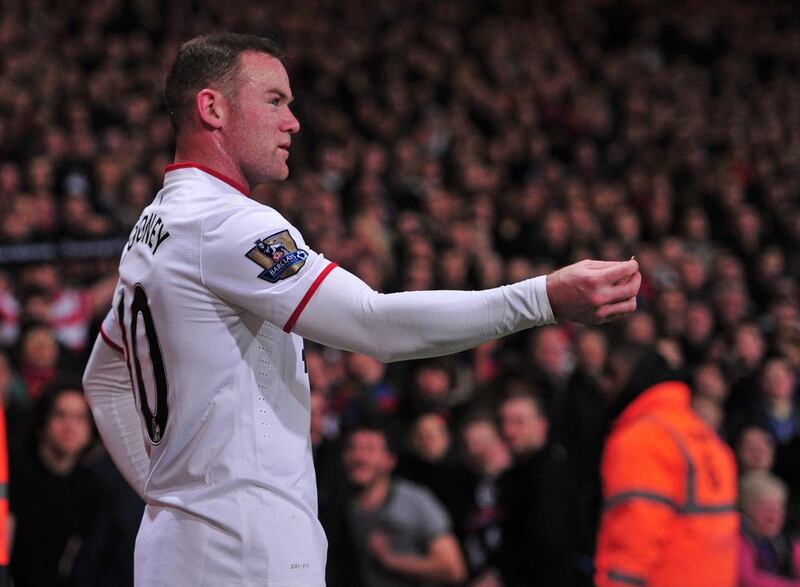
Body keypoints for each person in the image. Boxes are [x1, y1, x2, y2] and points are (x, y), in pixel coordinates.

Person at [81, 32, 641, 586]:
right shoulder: (227, 223)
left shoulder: (151, 231)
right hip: (246, 551)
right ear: (212, 108)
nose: (293, 121)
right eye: (275, 99)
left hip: (177, 549)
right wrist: (542, 298)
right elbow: (376, 324)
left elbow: (104, 379)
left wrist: (169, 495)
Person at [594, 345, 739, 587]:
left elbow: (634, 536)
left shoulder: (642, 439)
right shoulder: (700, 432)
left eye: (608, 378)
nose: (603, 388)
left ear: (625, 378)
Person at [343, 423, 467, 586]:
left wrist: (390, 560)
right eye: (352, 448)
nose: (358, 457)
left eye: (369, 449)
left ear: (390, 460)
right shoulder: (344, 505)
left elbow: (454, 570)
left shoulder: (415, 501)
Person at [9, 384, 99, 587]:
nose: (70, 426)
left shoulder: (93, 488)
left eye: (80, 418)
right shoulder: (17, 476)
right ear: (43, 421)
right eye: (60, 415)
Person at [497, 391, 576, 587]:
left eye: (519, 423)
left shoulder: (551, 475)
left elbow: (550, 545)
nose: (509, 431)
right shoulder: (514, 474)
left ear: (541, 426)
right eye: (504, 422)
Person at [738, 472, 800, 586]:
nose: (772, 515)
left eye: (778, 508)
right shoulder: (739, 540)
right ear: (746, 511)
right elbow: (747, 580)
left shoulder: (787, 539)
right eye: (764, 507)